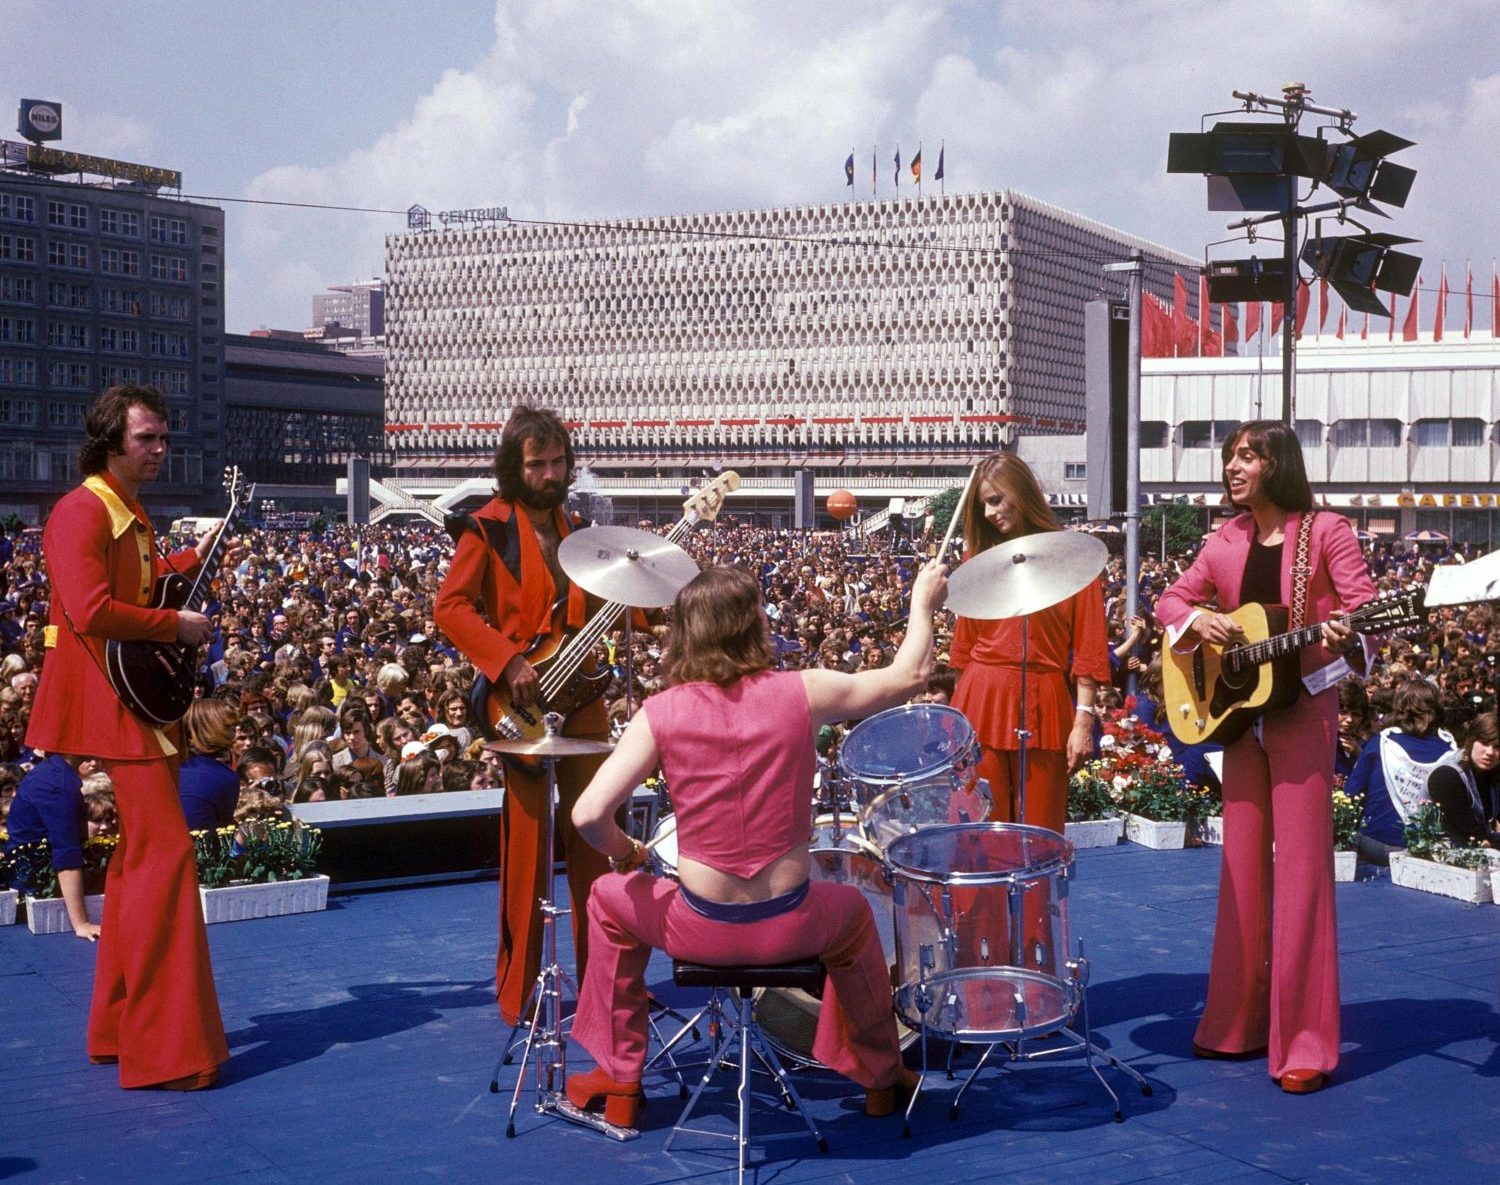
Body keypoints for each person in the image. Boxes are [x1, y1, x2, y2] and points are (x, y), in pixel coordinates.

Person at [566, 559, 947, 1127]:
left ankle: (620, 1081)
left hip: (697, 927)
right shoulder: (804, 690)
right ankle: (881, 1076)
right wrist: (922, 600)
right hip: (793, 923)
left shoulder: (658, 713)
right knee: (852, 917)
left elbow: (588, 814)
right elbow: (912, 675)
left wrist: (626, 854)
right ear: (753, 625)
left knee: (607, 899)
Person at [1154, 419, 1375, 1095]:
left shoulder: (1327, 531)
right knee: (1239, 870)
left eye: (1247, 456)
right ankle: (1235, 1024)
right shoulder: (1224, 539)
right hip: (1236, 720)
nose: (1233, 467)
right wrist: (1200, 621)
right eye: (1229, 457)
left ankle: (1305, 1041)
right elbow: (1169, 600)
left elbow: (1364, 608)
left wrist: (1347, 632)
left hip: (1303, 711)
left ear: (1278, 464)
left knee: (1305, 873)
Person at [25, 384, 229, 1090]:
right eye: (147, 438)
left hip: (129, 699)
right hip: (115, 701)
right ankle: (165, 1049)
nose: (160, 449)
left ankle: (118, 1028)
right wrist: (176, 625)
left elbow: (131, 586)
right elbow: (90, 609)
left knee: (144, 855)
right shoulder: (81, 510)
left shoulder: (122, 508)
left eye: (164, 438)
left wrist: (183, 563)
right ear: (110, 441)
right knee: (166, 856)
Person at [433, 404, 613, 1025]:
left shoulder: (582, 531)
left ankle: (604, 984)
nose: (550, 473)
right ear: (515, 467)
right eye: (537, 464)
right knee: (528, 848)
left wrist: (666, 594)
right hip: (525, 704)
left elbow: (618, 606)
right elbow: (450, 609)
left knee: (598, 839)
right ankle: (521, 991)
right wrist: (505, 661)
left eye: (559, 462)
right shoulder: (484, 528)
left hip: (584, 702)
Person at [948, 454, 1110, 833]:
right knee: (980, 830)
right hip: (980, 697)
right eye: (982, 504)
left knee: (1041, 834)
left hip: (1044, 700)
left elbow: (1089, 647)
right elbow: (963, 649)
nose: (989, 513)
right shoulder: (978, 559)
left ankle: (1038, 898)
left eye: (996, 499)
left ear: (1022, 493)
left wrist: (1083, 720)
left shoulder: (1075, 557)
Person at [1350, 679, 1458, 862]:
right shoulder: (1450, 749)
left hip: (1376, 843)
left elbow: (1352, 792)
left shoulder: (1381, 742)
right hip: (1427, 848)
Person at [3, 751, 101, 939]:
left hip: (25, 863)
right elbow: (66, 853)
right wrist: (81, 923)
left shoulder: (49, 771)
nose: (95, 762)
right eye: (86, 757)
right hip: (33, 877)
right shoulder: (60, 785)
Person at [1426, 711, 1500, 847]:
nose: (1490, 752)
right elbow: (1472, 833)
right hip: (1441, 852)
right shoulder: (1447, 775)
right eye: (1484, 743)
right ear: (1471, 741)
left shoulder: (1492, 772)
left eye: (1497, 747)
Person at [178, 700, 241, 831]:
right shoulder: (226, 778)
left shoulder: (171, 767)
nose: (235, 734)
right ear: (212, 730)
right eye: (229, 728)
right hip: (204, 847)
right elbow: (224, 828)